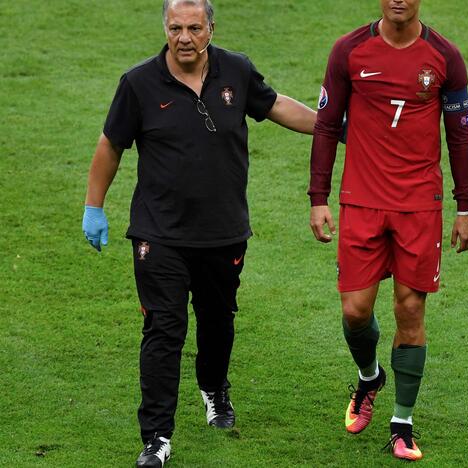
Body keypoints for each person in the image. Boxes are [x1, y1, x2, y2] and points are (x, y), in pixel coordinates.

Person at [81, 1, 317, 466]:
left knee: (218, 320)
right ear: (164, 29)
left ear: (211, 27)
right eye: (175, 28)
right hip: (159, 233)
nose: (184, 37)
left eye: (193, 27)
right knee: (163, 329)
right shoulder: (139, 84)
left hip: (223, 231)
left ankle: (213, 388)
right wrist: (94, 207)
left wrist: (336, 127)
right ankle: (156, 437)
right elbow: (111, 144)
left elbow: (275, 106)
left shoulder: (237, 70)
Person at [308, 0, 468, 461]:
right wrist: (318, 198)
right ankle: (369, 377)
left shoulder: (445, 57)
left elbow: (460, 133)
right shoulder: (348, 52)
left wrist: (467, 206)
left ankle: (402, 421)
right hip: (361, 201)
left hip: (420, 206)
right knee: (356, 311)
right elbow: (326, 126)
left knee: (409, 309)